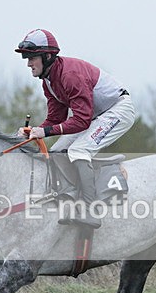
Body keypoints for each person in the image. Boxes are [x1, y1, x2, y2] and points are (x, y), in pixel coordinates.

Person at [15, 28, 136, 228]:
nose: (28, 63)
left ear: (47, 56)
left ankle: (90, 210)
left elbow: (81, 121)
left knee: (78, 150)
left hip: (117, 110)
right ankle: (70, 199)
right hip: (94, 115)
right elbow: (56, 118)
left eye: (32, 58)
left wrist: (45, 132)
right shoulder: (48, 82)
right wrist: (34, 131)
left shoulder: (70, 75)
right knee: (57, 151)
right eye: (27, 58)